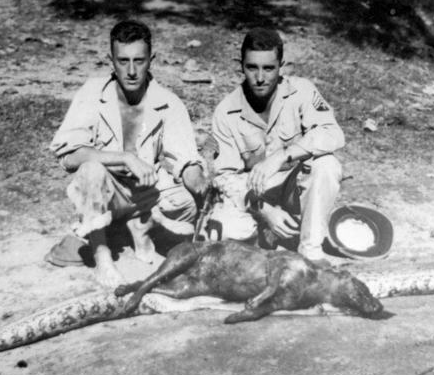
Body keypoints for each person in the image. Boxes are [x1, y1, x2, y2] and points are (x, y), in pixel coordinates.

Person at [48, 20, 208, 288]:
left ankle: (137, 227)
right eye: (123, 61)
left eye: (139, 61)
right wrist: (123, 157)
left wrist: (198, 180)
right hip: (109, 194)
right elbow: (69, 157)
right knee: (91, 170)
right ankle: (103, 257)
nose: (132, 71)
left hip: (147, 193)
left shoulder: (168, 101)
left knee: (187, 203)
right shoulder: (92, 92)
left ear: (151, 60)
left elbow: (185, 158)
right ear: (111, 59)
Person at [207, 27, 344, 264]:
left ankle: (310, 252)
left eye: (269, 68)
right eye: (252, 67)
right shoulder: (226, 111)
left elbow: (333, 134)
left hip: (293, 185)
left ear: (282, 65)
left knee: (327, 164)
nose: (260, 78)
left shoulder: (301, 90)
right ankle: (265, 238)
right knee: (225, 232)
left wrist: (282, 155)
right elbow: (225, 177)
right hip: (255, 193)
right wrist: (265, 211)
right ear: (241, 65)